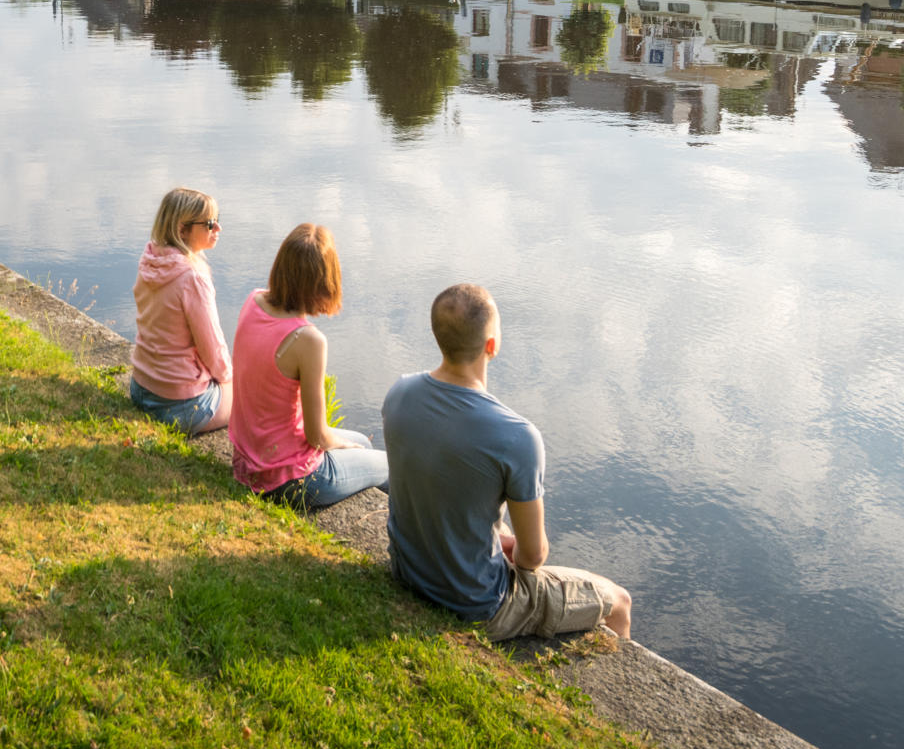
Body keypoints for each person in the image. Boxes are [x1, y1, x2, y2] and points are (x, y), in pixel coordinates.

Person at [382, 283, 632, 640]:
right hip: (476, 604)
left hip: (407, 572)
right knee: (619, 601)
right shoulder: (517, 436)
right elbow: (532, 556)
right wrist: (517, 553)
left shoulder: (400, 392)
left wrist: (500, 541)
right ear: (492, 345)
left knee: (504, 533)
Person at [229, 223, 389, 508]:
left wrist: (346, 445)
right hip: (293, 480)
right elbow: (317, 436)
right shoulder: (307, 340)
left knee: (362, 441)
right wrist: (340, 445)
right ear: (325, 281)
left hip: (248, 462)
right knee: (390, 465)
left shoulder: (253, 300)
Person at [127, 187, 232, 434]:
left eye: (217, 221)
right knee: (250, 393)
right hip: (179, 405)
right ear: (182, 229)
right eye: (209, 224)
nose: (218, 229)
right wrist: (229, 378)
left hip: (141, 387)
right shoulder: (193, 278)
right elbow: (213, 348)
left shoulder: (150, 259)